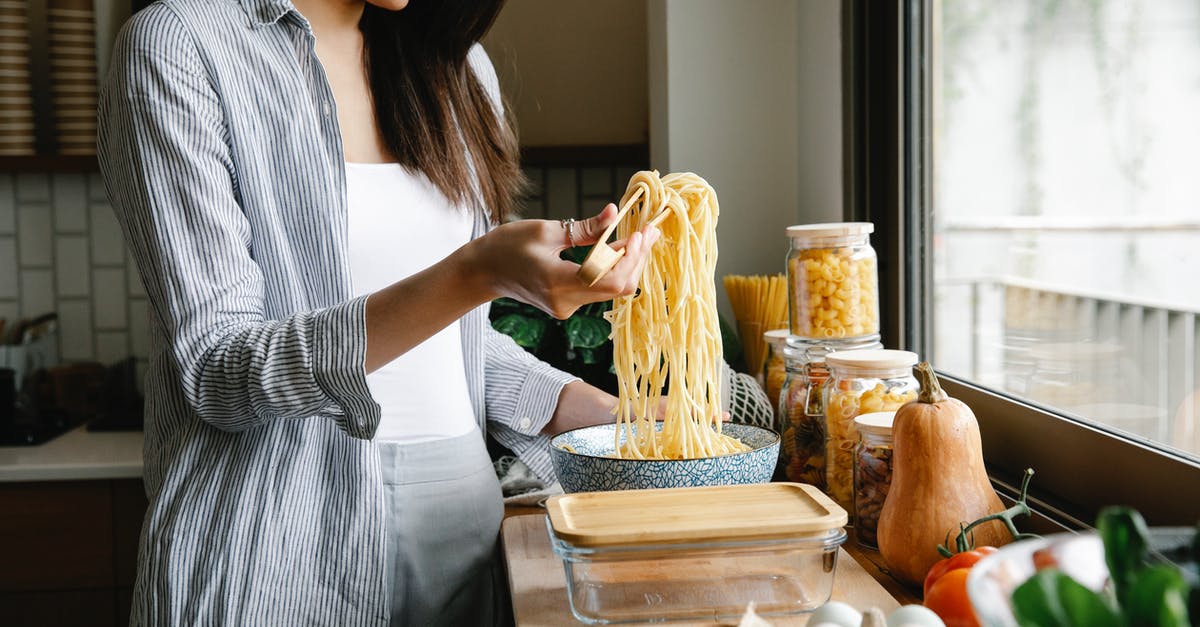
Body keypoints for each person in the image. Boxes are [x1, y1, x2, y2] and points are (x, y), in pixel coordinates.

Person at [97, 0, 661, 624]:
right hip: (278, 542)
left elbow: (448, 341)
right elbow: (219, 373)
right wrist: (475, 272)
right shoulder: (181, 46)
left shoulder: (460, 68)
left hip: (465, 529)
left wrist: (592, 414)